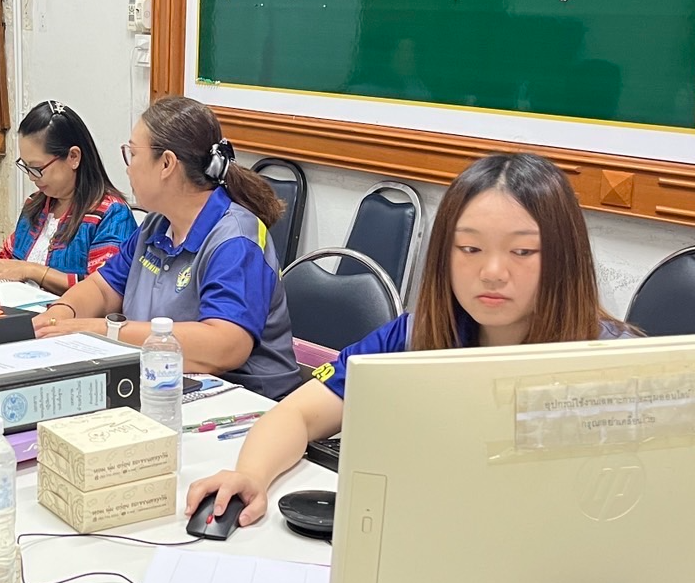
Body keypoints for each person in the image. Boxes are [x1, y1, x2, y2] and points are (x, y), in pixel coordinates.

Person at [187, 152, 637, 527]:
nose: (493, 272)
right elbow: (299, 414)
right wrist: (250, 475)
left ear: (563, 257)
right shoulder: (417, 336)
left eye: (521, 251)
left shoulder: (618, 362)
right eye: (470, 249)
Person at [32, 97, 301, 400]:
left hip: (244, 401)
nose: (129, 168)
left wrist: (103, 331)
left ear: (167, 164)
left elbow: (226, 345)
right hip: (168, 385)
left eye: (133, 154)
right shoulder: (156, 225)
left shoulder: (235, 240)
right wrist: (61, 313)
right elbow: (104, 288)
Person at [0, 101, 136, 293]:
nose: (32, 178)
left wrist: (32, 271)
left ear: (73, 157)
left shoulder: (110, 214)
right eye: (26, 167)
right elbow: (8, 266)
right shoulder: (36, 205)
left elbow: (104, 289)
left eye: (37, 168)